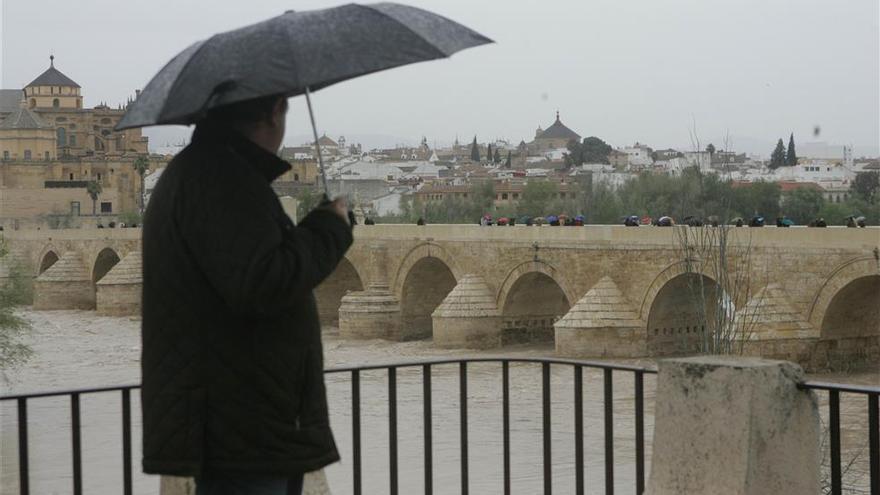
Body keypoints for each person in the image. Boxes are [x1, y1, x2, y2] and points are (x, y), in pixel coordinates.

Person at [141, 94, 353, 495]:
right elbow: (264, 282)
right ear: (273, 113)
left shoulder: (204, 172)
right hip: (242, 426)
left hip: (237, 420)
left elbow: (251, 267)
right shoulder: (220, 180)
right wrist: (330, 227)